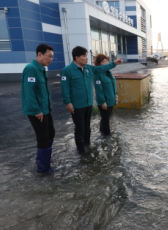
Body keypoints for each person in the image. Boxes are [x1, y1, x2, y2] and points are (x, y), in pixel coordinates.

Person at [60, 46, 122, 155]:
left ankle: (87, 146)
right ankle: (81, 151)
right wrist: (68, 102)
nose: (86, 58)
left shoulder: (89, 68)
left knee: (87, 127)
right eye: (84, 56)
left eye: (86, 56)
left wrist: (114, 63)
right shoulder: (67, 71)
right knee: (80, 128)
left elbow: (101, 68)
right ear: (76, 57)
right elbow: (65, 88)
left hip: (88, 104)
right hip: (77, 105)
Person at [21, 43, 55, 173]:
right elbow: (29, 92)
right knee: (43, 138)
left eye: (52, 57)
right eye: (49, 56)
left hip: (45, 110)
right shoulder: (31, 68)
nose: (51, 59)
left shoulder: (41, 68)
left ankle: (45, 161)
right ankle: (43, 169)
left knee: (51, 134)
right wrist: (36, 110)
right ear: (39, 54)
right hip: (37, 111)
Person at [93, 54, 121, 136]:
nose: (106, 63)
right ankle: (107, 136)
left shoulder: (108, 72)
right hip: (104, 101)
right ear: (99, 64)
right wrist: (102, 102)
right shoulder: (97, 74)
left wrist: (116, 95)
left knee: (106, 119)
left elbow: (113, 85)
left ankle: (102, 134)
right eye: (103, 61)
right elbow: (99, 89)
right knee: (105, 120)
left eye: (106, 61)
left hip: (111, 99)